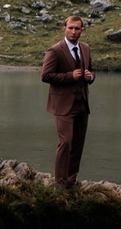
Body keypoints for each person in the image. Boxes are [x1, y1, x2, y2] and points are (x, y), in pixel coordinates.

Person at [40, 13, 94, 185]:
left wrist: (90, 77)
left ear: (81, 31)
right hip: (63, 106)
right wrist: (70, 76)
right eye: (70, 28)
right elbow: (46, 76)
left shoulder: (85, 48)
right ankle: (60, 183)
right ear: (64, 29)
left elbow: (92, 71)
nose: (73, 31)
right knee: (65, 143)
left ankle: (71, 181)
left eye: (77, 28)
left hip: (82, 104)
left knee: (78, 145)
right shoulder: (55, 50)